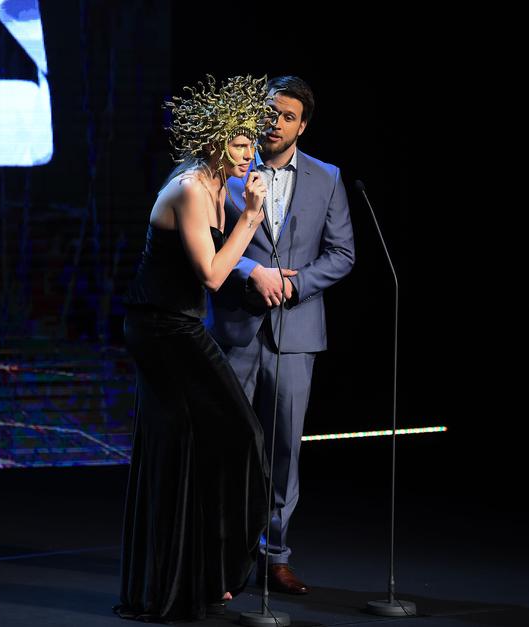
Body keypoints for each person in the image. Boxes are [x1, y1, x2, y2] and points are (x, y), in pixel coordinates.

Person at [116, 75, 277, 622]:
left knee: (198, 445)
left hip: (178, 323)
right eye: (239, 143)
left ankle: (199, 575)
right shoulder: (189, 188)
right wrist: (250, 216)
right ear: (213, 141)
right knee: (238, 433)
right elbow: (211, 273)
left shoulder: (215, 186)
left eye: (251, 143)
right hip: (161, 327)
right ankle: (189, 579)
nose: (250, 153)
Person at [210, 76, 355, 595]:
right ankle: (221, 558)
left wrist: (294, 286)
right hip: (236, 328)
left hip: (295, 334)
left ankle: (275, 556)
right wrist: (253, 271)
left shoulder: (327, 177)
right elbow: (205, 244)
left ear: (302, 125)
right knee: (225, 446)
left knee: (284, 453)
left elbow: (342, 254)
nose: (276, 123)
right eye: (270, 113)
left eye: (288, 117)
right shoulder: (226, 168)